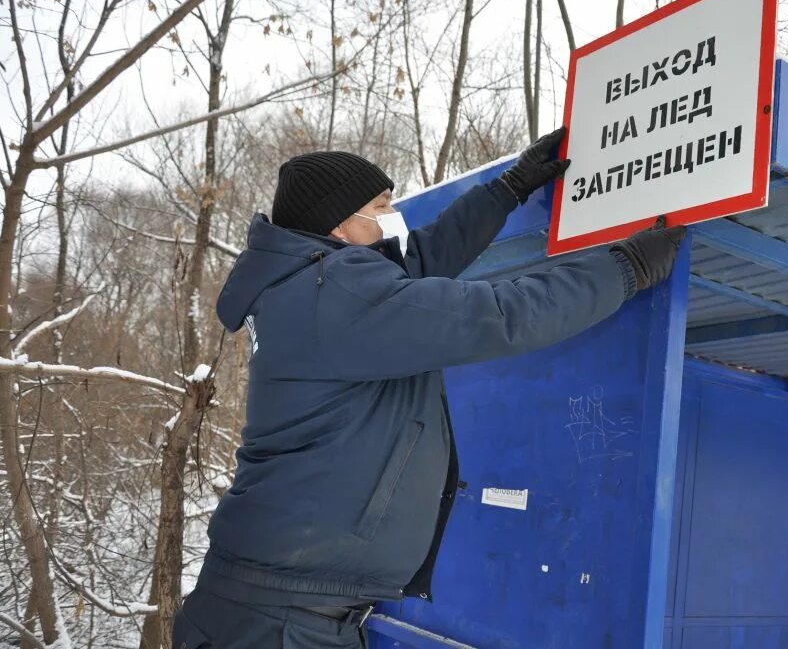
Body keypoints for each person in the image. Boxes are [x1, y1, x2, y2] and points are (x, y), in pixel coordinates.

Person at [171, 127, 686, 648]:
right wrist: (627, 266)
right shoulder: (334, 295)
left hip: (264, 605)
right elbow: (500, 316)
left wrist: (507, 190)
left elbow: (415, 259)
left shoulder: (306, 287)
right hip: (278, 623)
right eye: (381, 204)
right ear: (341, 223)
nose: (393, 216)